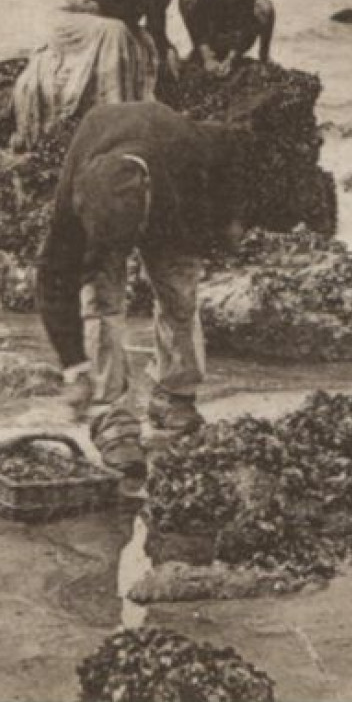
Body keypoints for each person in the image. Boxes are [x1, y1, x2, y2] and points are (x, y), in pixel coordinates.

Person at [35, 101, 247, 475]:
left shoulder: (184, 151)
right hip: (117, 176)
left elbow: (233, 148)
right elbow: (53, 277)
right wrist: (73, 365)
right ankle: (111, 413)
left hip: (174, 202)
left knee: (180, 295)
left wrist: (230, 217)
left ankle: (175, 394)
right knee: (101, 299)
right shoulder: (78, 192)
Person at [11, 0, 185, 149]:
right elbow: (106, 3)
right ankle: (111, 104)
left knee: (142, 40)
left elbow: (155, 26)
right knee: (116, 30)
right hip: (76, 14)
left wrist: (167, 50)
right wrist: (131, 13)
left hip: (109, 20)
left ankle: (127, 104)